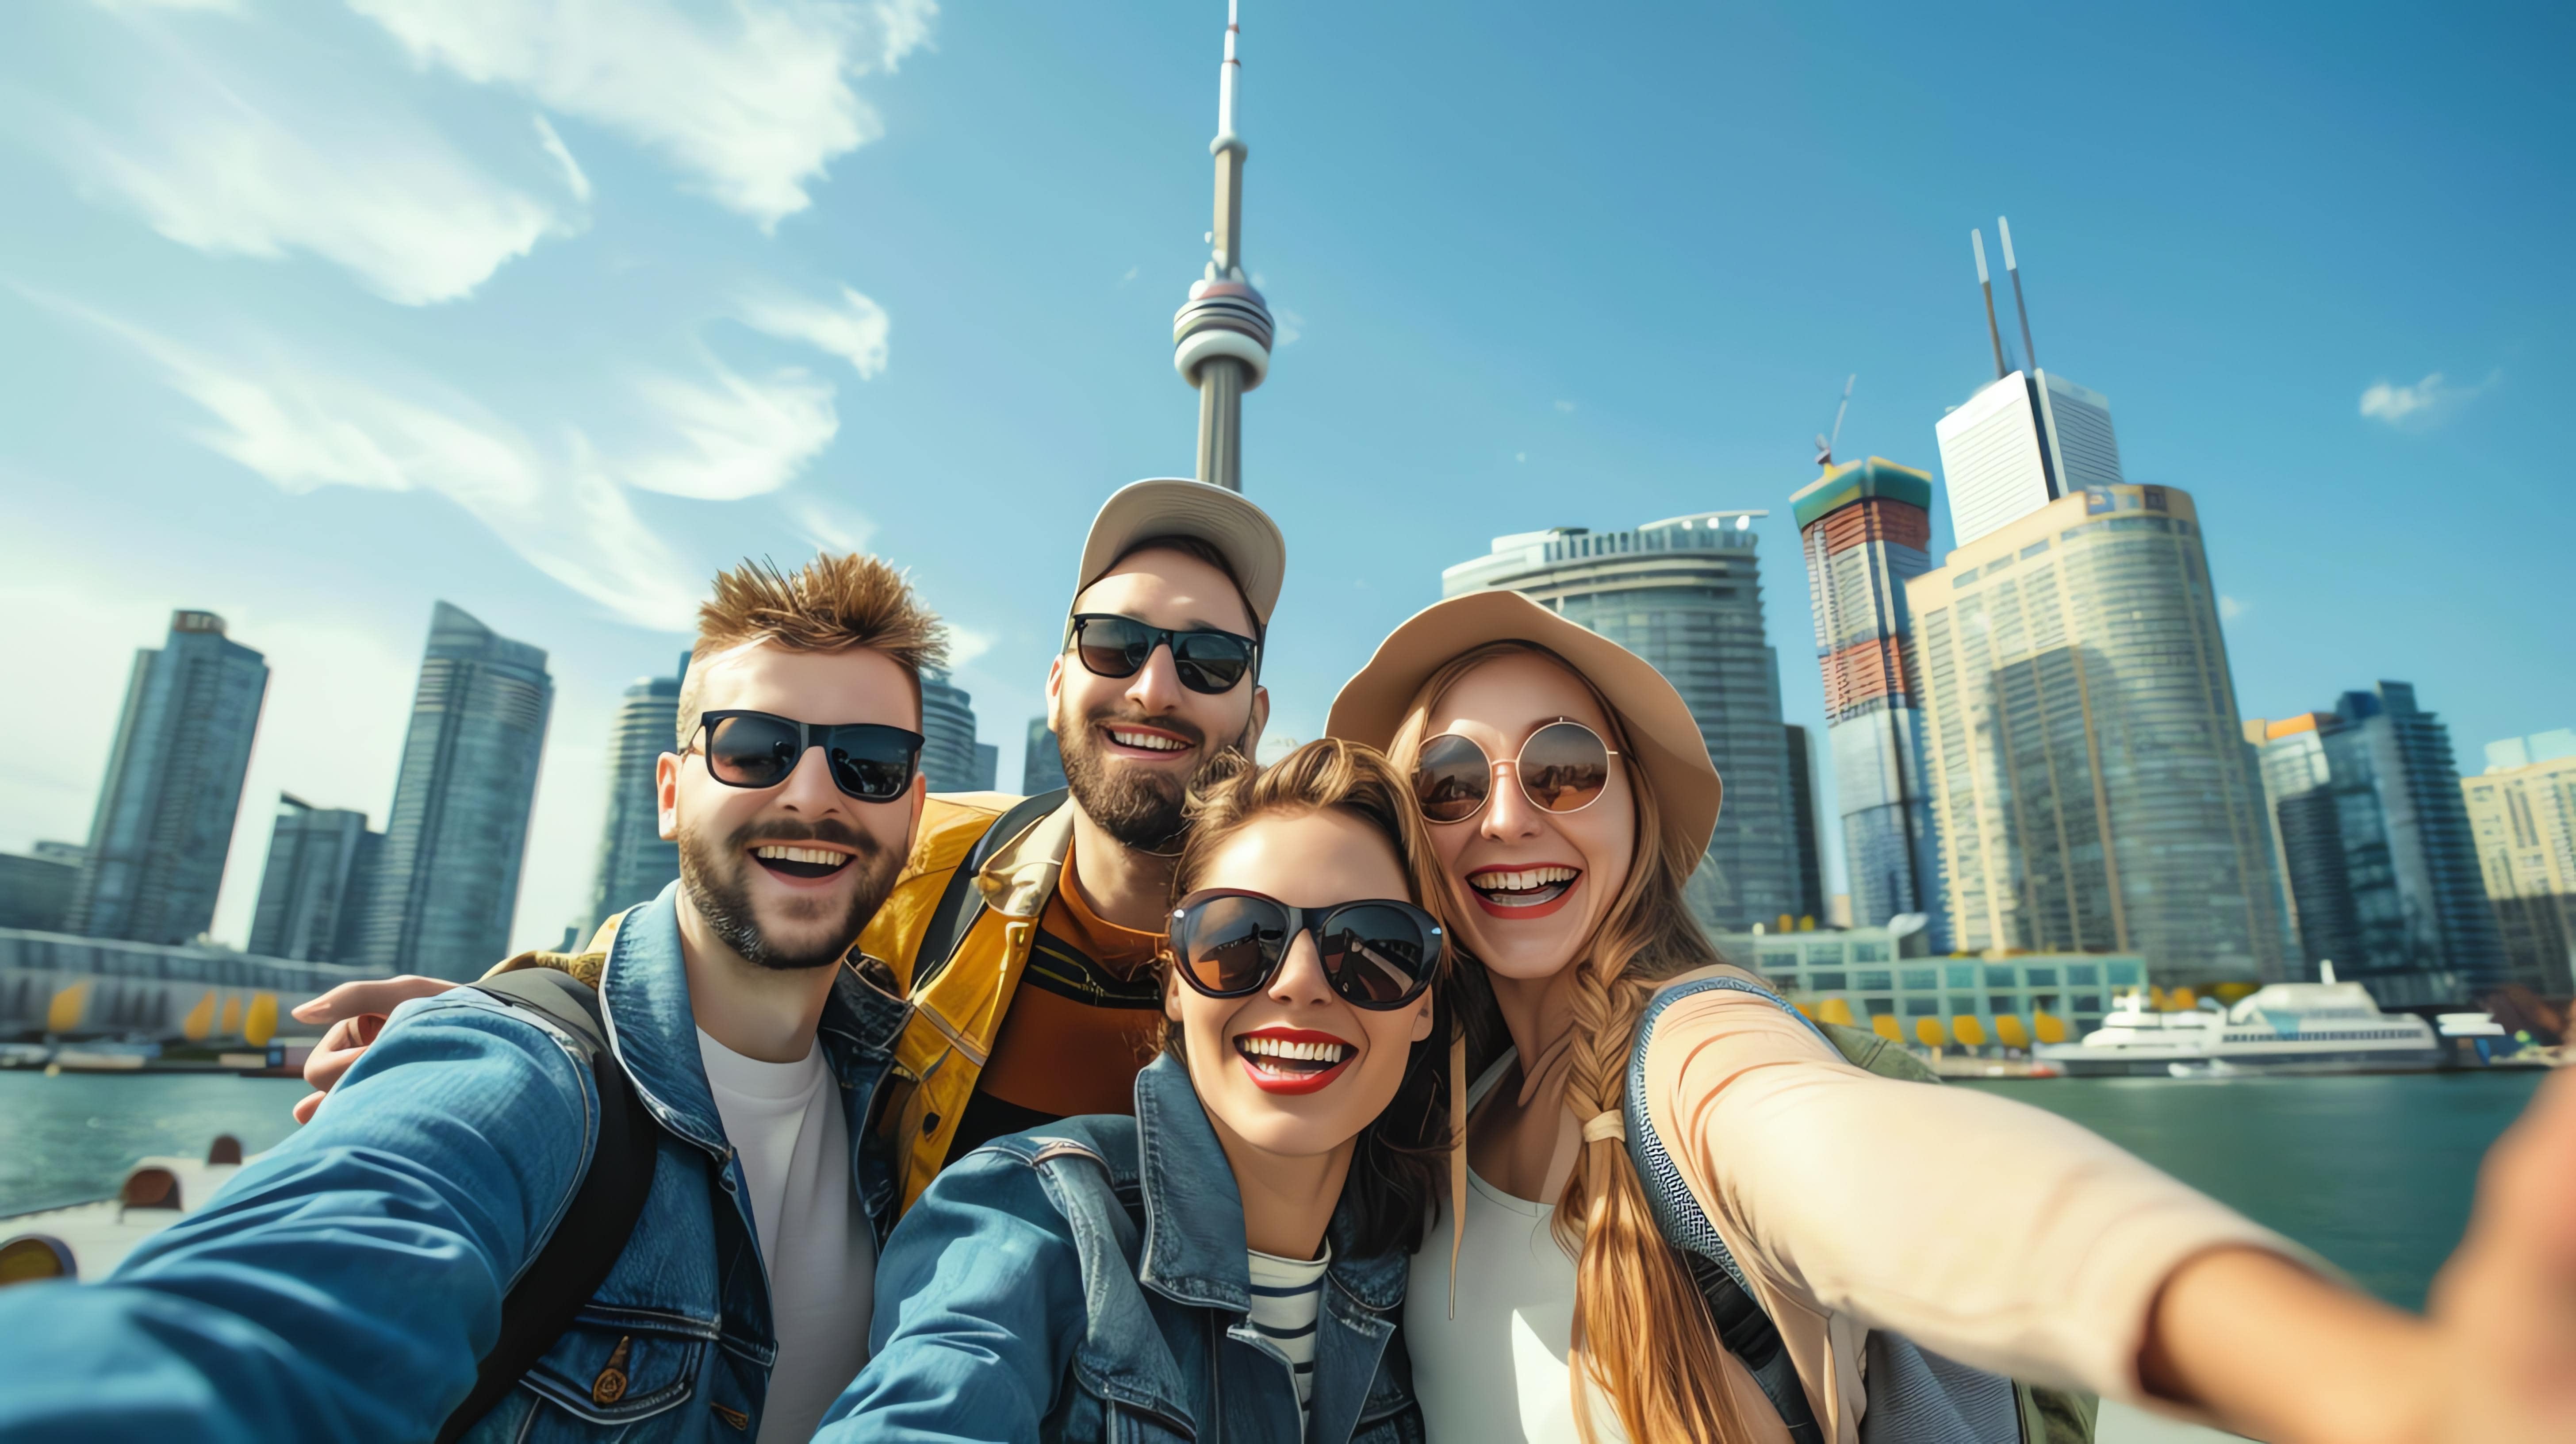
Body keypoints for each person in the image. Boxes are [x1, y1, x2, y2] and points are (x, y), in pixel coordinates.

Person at [1325, 588, 2576, 1444]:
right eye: (1448, 784)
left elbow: (1891, 1175)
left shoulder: (1696, 1048)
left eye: (1561, 769)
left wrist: (2362, 1384)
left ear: (1635, 808)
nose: (1504, 818)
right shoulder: (1438, 1113)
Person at [0, 554, 945, 1444]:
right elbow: (272, 1314)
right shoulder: (516, 1070)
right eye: (755, 748)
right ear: (670, 792)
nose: (812, 793)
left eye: (867, 761)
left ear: (913, 808)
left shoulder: (920, 1100)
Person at [293, 479, 1286, 1218]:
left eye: (1208, 660)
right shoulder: (918, 851)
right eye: (1116, 644)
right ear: (1059, 681)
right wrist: (512, 1014)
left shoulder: (1308, 951)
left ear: (1257, 709)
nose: (1156, 688)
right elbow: (687, 952)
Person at [817, 739, 1451, 1443]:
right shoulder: (1038, 1218)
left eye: (1371, 945)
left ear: (1424, 1000)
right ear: (1176, 982)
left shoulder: (1430, 1297)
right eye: (1240, 936)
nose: (1299, 982)